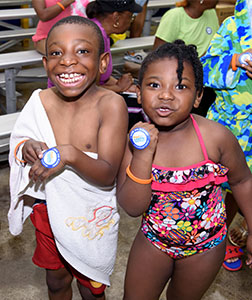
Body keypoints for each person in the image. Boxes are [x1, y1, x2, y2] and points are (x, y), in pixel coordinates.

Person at [116, 40, 252, 300]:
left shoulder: (216, 138)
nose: (166, 95)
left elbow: (243, 181)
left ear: (198, 96)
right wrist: (143, 156)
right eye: (154, 85)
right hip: (153, 243)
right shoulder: (134, 142)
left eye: (181, 86)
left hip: (207, 247)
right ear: (139, 93)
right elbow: (133, 207)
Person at [8, 16, 128, 300]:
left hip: (88, 217)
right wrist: (27, 147)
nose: (67, 61)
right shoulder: (40, 101)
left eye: (82, 51)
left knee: (91, 288)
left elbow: (108, 172)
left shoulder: (110, 105)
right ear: (45, 64)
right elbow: (20, 140)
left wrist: (70, 154)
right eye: (56, 53)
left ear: (102, 62)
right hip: (47, 211)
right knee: (56, 281)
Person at [201, 0, 252, 272]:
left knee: (245, 186)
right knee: (221, 188)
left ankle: (243, 230)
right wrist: (236, 61)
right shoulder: (232, 26)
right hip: (229, 127)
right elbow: (205, 70)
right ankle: (216, 238)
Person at [152, 0, 220, 117]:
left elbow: (215, 45)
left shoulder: (211, 13)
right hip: (181, 78)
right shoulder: (174, 16)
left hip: (206, 78)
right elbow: (158, 55)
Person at [85, 0, 142, 93]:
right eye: (130, 17)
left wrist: (124, 86)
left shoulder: (102, 33)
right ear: (116, 18)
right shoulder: (94, 37)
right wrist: (118, 88)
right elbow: (87, 89)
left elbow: (102, 78)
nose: (131, 22)